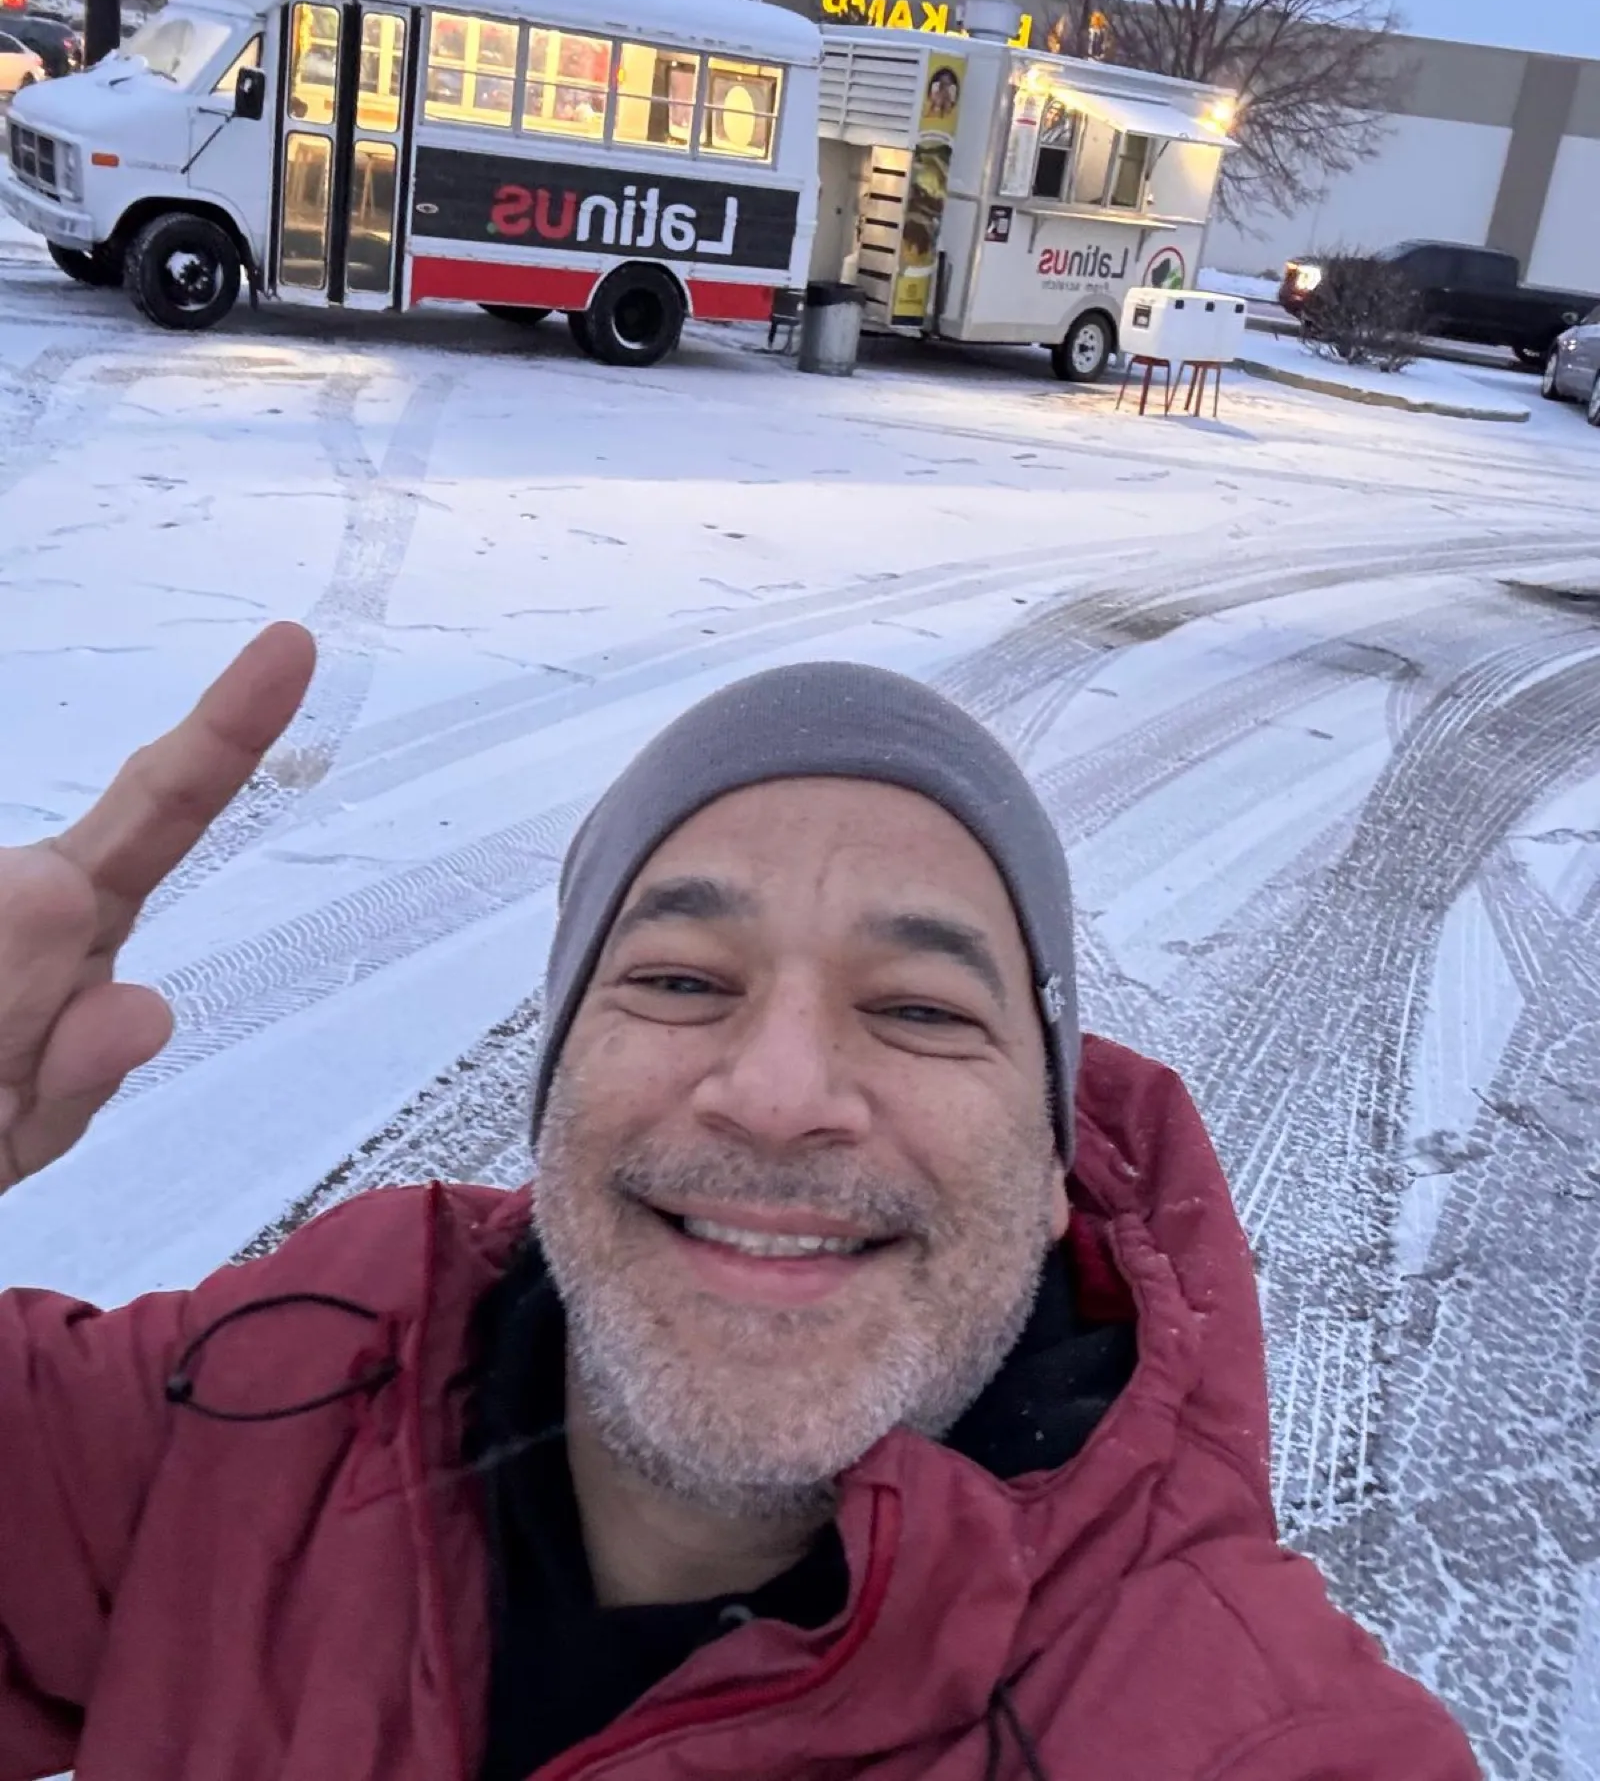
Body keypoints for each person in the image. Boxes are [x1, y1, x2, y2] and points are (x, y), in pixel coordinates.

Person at [0, 626, 1479, 1781]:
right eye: (681, 982)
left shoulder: (1250, 1734)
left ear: (1050, 1172)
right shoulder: (263, 1397)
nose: (777, 1093)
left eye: (917, 1008)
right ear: (556, 1087)